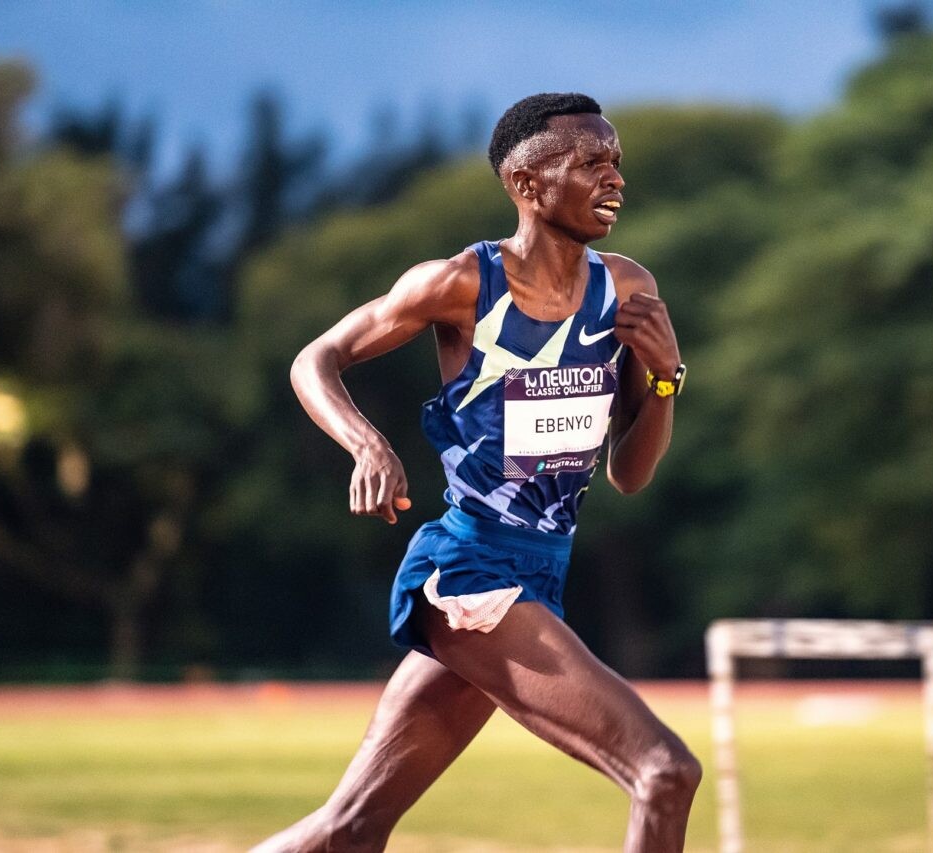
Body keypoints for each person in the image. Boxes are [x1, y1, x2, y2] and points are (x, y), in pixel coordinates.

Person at [254, 93, 698, 853]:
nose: (615, 178)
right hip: (470, 574)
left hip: (541, 573)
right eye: (591, 162)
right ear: (526, 184)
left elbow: (630, 474)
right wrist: (366, 443)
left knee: (349, 830)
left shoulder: (626, 290)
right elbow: (315, 358)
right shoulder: (463, 283)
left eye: (617, 162)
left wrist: (663, 380)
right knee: (665, 771)